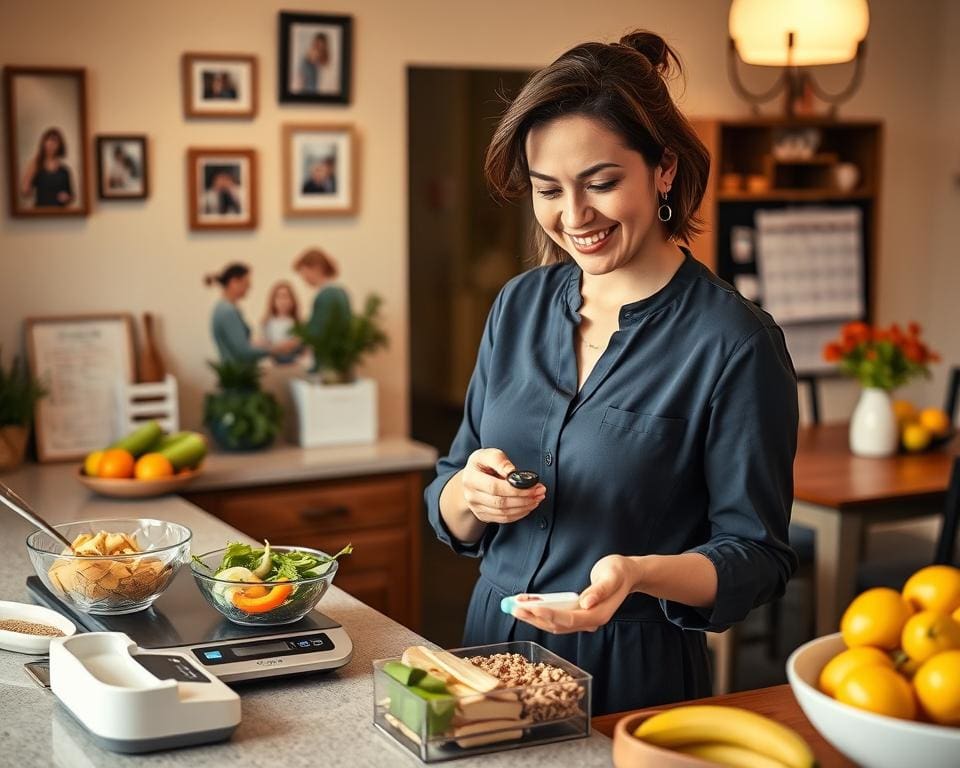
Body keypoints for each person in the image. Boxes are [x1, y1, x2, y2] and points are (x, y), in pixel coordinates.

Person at [424, 31, 799, 716]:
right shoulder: (517, 305)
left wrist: (640, 574)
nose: (574, 217)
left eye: (601, 183)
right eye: (548, 190)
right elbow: (448, 491)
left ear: (662, 169)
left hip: (631, 674)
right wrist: (469, 499)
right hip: (484, 652)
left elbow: (759, 557)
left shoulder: (734, 342)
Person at [206, 263, 298, 364]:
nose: (249, 287)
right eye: (246, 284)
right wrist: (275, 349)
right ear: (234, 282)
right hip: (237, 373)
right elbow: (243, 351)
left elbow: (240, 344)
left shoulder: (224, 308)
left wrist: (260, 344)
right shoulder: (228, 311)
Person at [293, 248, 351, 338]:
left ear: (317, 268)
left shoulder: (325, 296)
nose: (303, 278)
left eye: (304, 272)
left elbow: (317, 332)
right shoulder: (341, 292)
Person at [20, 127, 73, 207]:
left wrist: (66, 197)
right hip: (40, 213)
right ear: (43, 143)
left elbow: (71, 196)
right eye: (48, 140)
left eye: (55, 141)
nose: (51, 144)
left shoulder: (64, 171)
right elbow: (25, 192)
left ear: (60, 145)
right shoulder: (36, 166)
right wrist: (33, 166)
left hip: (61, 214)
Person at [261, 281, 302, 364]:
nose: (283, 301)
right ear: (273, 300)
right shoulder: (266, 323)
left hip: (293, 364)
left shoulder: (298, 323)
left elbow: (299, 344)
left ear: (292, 300)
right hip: (273, 364)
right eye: (279, 297)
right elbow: (264, 344)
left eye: (286, 297)